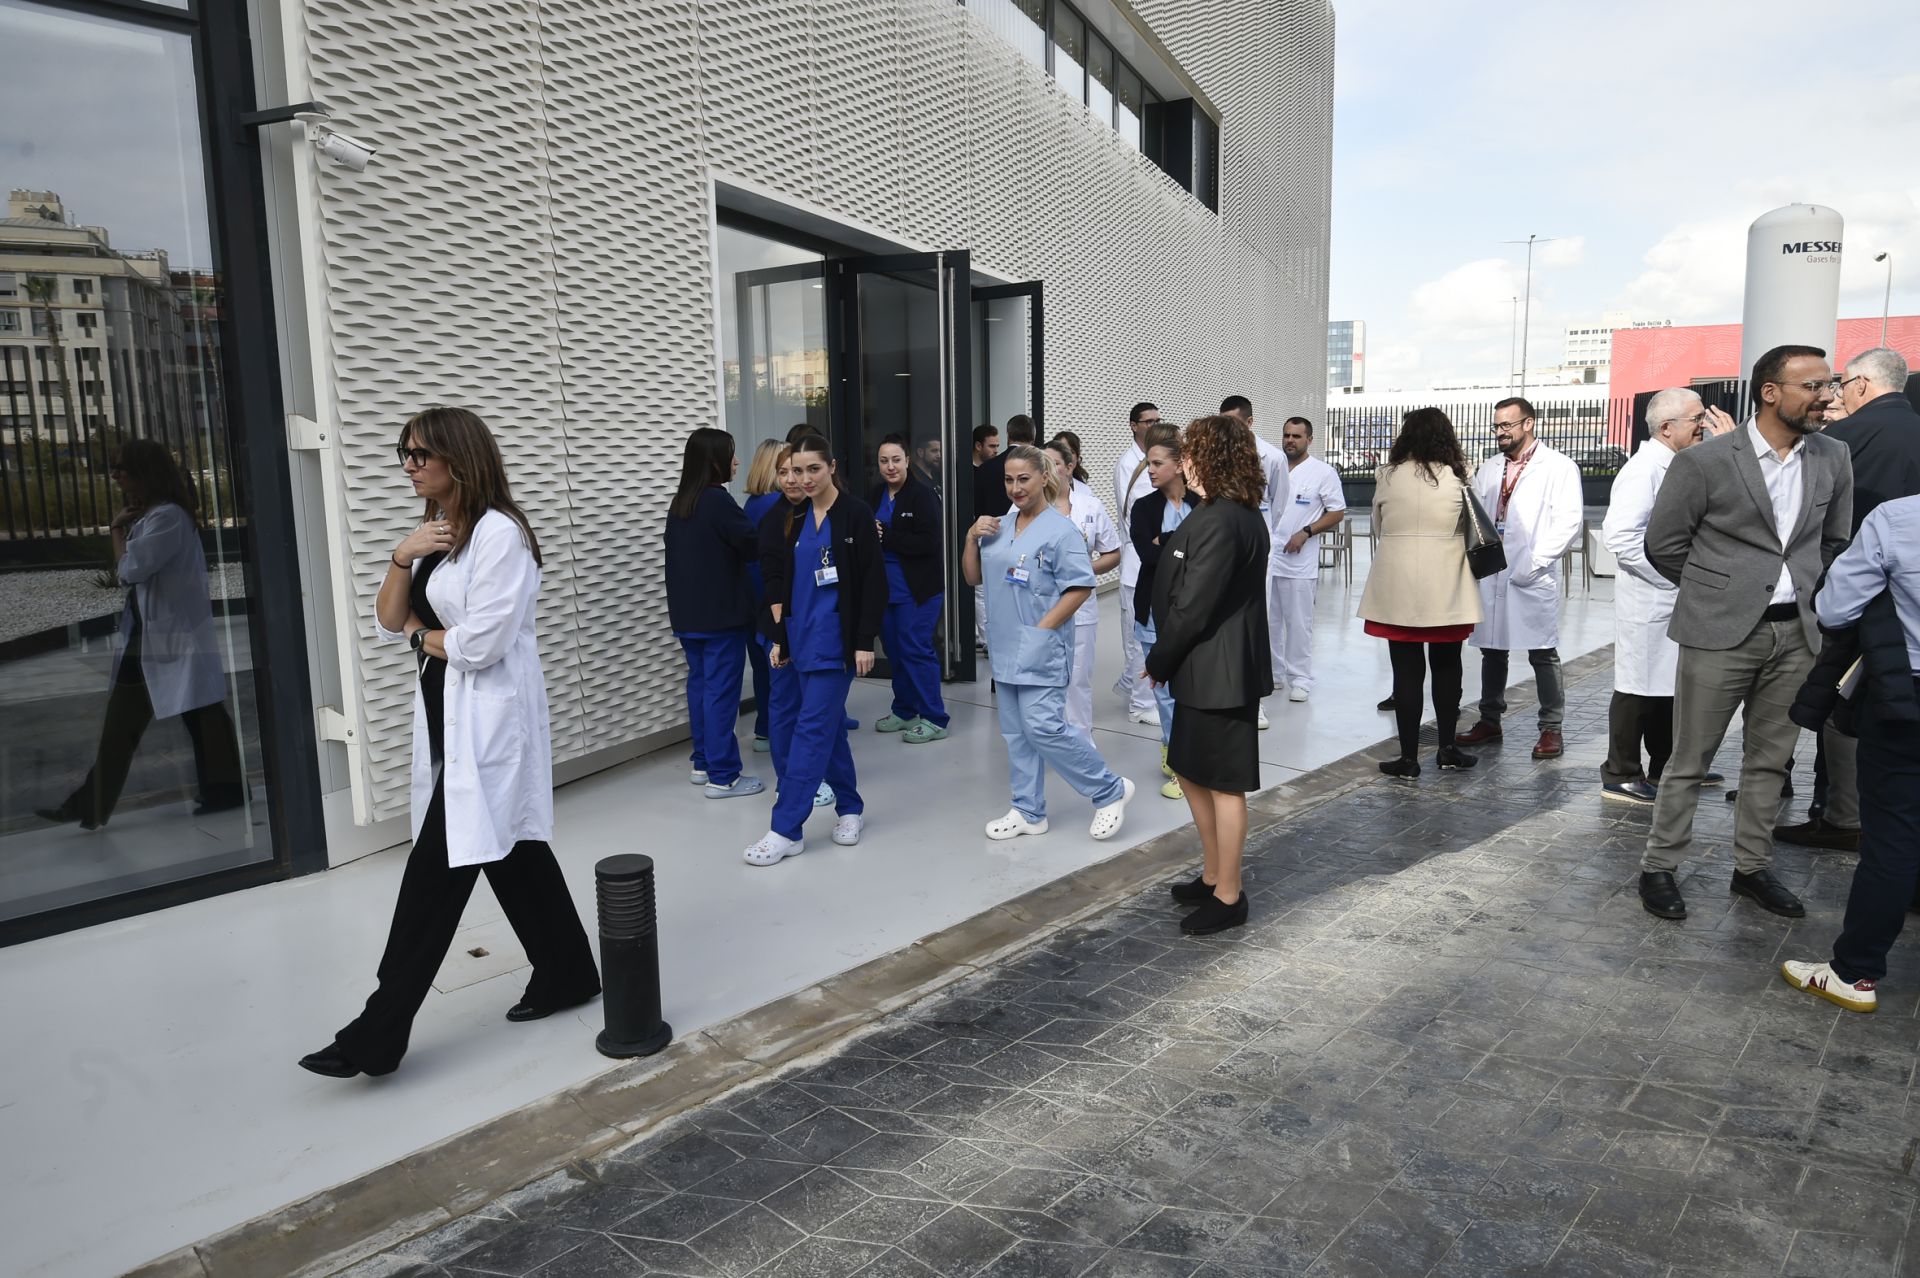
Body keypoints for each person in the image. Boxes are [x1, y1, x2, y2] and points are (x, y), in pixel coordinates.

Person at [300, 407, 600, 1079]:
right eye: (401, 453)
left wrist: (420, 637)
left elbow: (479, 646)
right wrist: (403, 555)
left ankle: (378, 1032)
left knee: (435, 875)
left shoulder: (501, 537)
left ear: (457, 460)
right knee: (514, 851)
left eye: (418, 454)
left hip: (489, 721)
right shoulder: (438, 534)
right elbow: (386, 617)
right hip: (447, 716)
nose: (407, 465)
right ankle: (569, 973)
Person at [1637, 345, 1854, 922]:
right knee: (1690, 758)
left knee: (1769, 762)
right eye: (1812, 386)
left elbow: (1835, 540)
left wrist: (1803, 586)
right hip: (1717, 633)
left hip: (1795, 636)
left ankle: (1751, 868)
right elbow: (1663, 543)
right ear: (1770, 391)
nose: (1825, 396)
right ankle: (1659, 866)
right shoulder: (1705, 462)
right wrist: (1717, 593)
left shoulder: (1833, 456)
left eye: (1829, 384)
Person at [37, 438, 244, 830]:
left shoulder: (166, 518)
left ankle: (89, 805)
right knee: (200, 716)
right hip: (161, 638)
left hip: (163, 640)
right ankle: (225, 791)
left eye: (121, 469)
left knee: (136, 723)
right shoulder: (162, 516)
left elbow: (129, 572)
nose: (114, 475)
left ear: (143, 473)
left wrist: (117, 529)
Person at [1776, 347, 1920, 853]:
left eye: (1839, 384)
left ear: (1860, 384)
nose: (1834, 394)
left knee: (1841, 705)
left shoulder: (1838, 442)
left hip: (1858, 596)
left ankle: (1840, 814)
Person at [1780, 492, 1920, 1012]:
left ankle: (1856, 974)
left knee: (1893, 840)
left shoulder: (1899, 518)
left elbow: (1835, 608)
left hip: (1906, 695)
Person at [965, 445, 1134, 842]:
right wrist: (971, 537)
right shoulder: (999, 526)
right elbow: (973, 577)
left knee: (1044, 728)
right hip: (1005, 644)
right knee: (1015, 733)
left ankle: (1109, 790)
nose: (1015, 487)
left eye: (1024, 478)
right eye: (1009, 479)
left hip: (1040, 645)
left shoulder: (1062, 530)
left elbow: (1079, 586)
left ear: (1044, 477)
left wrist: (1042, 630)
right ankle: (1028, 810)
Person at [1147, 415, 1272, 936]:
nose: (1186, 461)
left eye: (1193, 452)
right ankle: (1212, 873)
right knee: (1192, 771)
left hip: (1219, 671)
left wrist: (1159, 660)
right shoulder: (1217, 511)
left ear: (1214, 459)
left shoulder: (1224, 518)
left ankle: (1229, 894)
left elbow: (1195, 606)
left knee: (1223, 785)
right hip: (1205, 668)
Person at [748, 435, 884, 866]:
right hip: (796, 637)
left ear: (832, 467)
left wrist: (864, 642)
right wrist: (780, 639)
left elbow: (873, 583)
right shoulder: (792, 516)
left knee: (810, 730)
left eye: (812, 469)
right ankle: (850, 806)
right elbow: (785, 585)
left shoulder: (856, 515)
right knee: (820, 729)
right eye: (796, 470)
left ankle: (785, 828)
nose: (803, 479)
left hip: (834, 643)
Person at [1598, 390, 1734, 803]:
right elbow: (1621, 538)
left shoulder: (1676, 463)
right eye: (1696, 418)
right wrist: (1674, 577)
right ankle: (1620, 771)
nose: (1703, 426)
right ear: (1666, 428)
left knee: (1665, 687)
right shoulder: (1644, 471)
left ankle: (1665, 766)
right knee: (1637, 687)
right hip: (1652, 596)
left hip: (1673, 595)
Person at [1454, 397, 1584, 759]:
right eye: (1497, 426)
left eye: (1506, 426)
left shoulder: (1558, 467)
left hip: (1531, 571)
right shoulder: (1490, 467)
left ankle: (1551, 728)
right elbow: (1477, 515)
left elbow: (1569, 522)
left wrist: (1535, 562)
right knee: (1492, 650)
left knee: (1542, 652)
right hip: (1493, 570)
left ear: (1528, 424)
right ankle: (1489, 720)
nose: (1500, 433)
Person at [1357, 408, 1482, 778]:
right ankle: (1447, 749)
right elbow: (1471, 526)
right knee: (1448, 670)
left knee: (1406, 675)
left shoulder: (1387, 476)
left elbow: (1378, 526)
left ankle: (1409, 759)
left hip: (1397, 587)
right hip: (1447, 586)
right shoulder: (1459, 477)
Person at [664, 428, 764, 799]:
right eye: (732, 454)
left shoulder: (681, 503)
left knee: (701, 687)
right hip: (721, 617)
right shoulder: (718, 502)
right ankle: (724, 777)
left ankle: (703, 762)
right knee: (721, 693)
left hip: (689, 617)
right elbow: (751, 545)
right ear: (715, 460)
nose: (736, 461)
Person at [755, 448, 834, 811]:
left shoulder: (820, 513)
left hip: (814, 628)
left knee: (814, 710)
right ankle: (788, 782)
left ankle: (812, 778)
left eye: (799, 471)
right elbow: (773, 584)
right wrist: (780, 639)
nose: (792, 479)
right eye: (784, 472)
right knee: (786, 707)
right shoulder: (776, 518)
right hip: (781, 631)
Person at [1129, 424, 1197, 800]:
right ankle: (1176, 757)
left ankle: (1186, 761)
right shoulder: (1144, 507)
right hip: (1153, 611)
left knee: (1189, 690)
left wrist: (1168, 541)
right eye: (1148, 462)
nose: (1150, 470)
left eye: (1157, 463)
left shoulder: (1201, 504)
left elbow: (1204, 557)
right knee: (1163, 692)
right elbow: (1149, 555)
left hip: (1192, 611)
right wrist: (1181, 543)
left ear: (1179, 464)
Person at [869, 434, 950, 744]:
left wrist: (886, 536)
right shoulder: (876, 494)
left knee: (916, 649)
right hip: (886, 590)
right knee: (895, 651)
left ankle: (935, 718)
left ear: (907, 461)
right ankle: (904, 710)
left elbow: (929, 543)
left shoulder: (922, 495)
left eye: (896, 460)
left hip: (918, 590)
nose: (890, 467)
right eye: (884, 461)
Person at [1045, 437, 1123, 735]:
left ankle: (1079, 739)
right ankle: (1050, 737)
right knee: (1046, 677)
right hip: (1040, 606)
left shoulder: (1090, 506)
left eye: (1053, 464)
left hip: (1080, 607)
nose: (1048, 471)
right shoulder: (1026, 507)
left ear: (1069, 466)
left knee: (1078, 678)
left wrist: (1081, 571)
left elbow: (1113, 553)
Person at [1219, 395, 1287, 730]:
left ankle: (1255, 702)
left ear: (1249, 422)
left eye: (1234, 422)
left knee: (1255, 618)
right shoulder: (1217, 455)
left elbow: (1278, 503)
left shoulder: (1272, 457)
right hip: (1223, 539)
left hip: (1257, 538)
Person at [1269, 416, 1347, 702]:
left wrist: (1306, 531)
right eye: (1287, 435)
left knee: (1299, 622)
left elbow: (1337, 512)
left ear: (1309, 440)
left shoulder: (1322, 473)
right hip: (1269, 557)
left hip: (1299, 562)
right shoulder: (1273, 466)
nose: (1290, 440)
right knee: (1269, 620)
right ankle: (1274, 673)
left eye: (1297, 436)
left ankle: (1300, 677)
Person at [1113, 402, 1166, 724]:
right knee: (1138, 637)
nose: (1154, 425)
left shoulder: (1156, 460)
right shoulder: (1128, 464)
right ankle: (1140, 704)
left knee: (1153, 636)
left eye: (1158, 420)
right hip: (1137, 561)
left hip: (1158, 562)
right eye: (1148, 421)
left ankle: (1134, 687)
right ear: (1133, 425)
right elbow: (1132, 516)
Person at [740, 440, 787, 755]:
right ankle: (777, 729)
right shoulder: (777, 506)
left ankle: (764, 730)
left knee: (761, 665)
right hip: (770, 594)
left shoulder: (751, 505)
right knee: (779, 665)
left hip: (750, 592)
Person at [973, 415, 1034, 654]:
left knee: (987, 592)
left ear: (1008, 435)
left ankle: (992, 642)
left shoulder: (987, 468)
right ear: (1033, 436)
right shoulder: (1037, 465)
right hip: (1026, 537)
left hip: (990, 534)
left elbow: (976, 507)